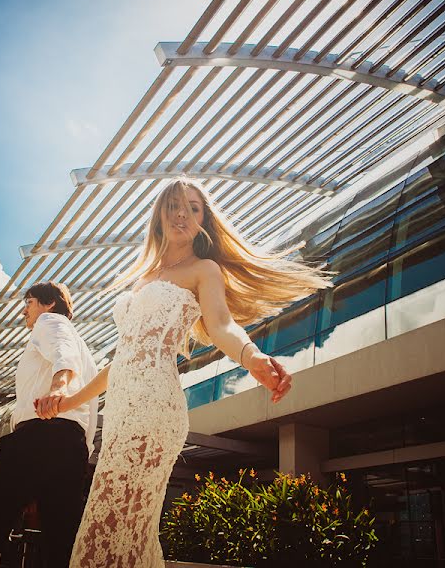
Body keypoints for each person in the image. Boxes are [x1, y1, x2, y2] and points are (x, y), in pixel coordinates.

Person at [35, 177, 332, 567]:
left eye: (193, 208)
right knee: (118, 530)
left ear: (204, 219)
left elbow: (222, 324)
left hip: (155, 407)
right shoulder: (145, 277)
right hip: (123, 414)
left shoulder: (204, 269)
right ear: (159, 213)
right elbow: (122, 359)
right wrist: (67, 402)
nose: (182, 214)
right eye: (174, 204)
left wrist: (253, 357)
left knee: (110, 529)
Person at [0, 281, 98, 568]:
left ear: (49, 304)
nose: (24, 311)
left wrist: (58, 387)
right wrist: (83, 451)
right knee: (61, 539)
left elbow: (62, 351)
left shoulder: (50, 321)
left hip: (38, 435)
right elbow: (89, 412)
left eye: (29, 302)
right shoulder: (87, 353)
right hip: (73, 445)